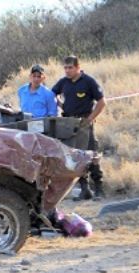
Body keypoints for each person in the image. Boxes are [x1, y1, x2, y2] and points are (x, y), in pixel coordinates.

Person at [52, 55, 106, 200]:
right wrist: (61, 105)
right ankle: (84, 189)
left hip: (84, 122)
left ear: (78, 67)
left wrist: (90, 119)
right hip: (69, 123)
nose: (67, 71)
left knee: (91, 154)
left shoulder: (88, 82)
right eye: (65, 68)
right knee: (76, 157)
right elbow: (52, 94)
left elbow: (101, 102)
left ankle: (99, 188)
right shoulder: (63, 82)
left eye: (70, 68)